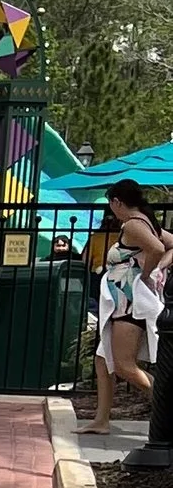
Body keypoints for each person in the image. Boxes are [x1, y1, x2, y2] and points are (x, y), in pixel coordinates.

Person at [85, 179, 168, 430]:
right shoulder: (145, 223)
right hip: (120, 305)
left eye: (111, 204)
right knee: (103, 359)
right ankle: (101, 420)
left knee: (124, 365)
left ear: (117, 202)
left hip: (127, 305)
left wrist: (147, 273)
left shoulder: (133, 224)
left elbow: (157, 248)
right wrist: (156, 268)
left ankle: (167, 406)